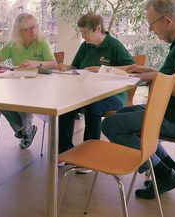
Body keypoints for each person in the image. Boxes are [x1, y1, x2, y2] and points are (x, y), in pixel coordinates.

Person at [101, 0, 175, 199]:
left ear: (167, 20)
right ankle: (171, 167)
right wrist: (152, 71)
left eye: (151, 24)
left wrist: (155, 76)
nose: (151, 30)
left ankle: (162, 174)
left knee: (109, 125)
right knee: (121, 113)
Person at [57, 13, 134, 166]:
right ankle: (64, 151)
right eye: (82, 33)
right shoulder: (85, 46)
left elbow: (132, 68)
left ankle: (89, 156)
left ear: (98, 29)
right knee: (65, 106)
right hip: (87, 93)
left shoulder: (114, 45)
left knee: (94, 108)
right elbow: (76, 66)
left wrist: (103, 69)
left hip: (114, 96)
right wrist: (66, 68)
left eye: (86, 32)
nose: (83, 36)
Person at [0, 13, 57, 149]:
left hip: (40, 86)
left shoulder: (42, 42)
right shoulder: (13, 45)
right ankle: (24, 130)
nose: (33, 31)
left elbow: (53, 64)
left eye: (35, 27)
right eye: (28, 29)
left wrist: (36, 63)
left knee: (24, 98)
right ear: (19, 31)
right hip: (18, 84)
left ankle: (26, 130)